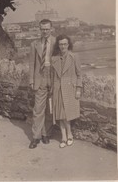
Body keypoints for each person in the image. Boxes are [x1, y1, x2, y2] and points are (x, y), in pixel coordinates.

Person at [51, 34, 82, 148]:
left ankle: (68, 135)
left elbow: (79, 74)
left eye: (65, 44)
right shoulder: (54, 58)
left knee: (65, 114)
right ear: (58, 45)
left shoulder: (74, 57)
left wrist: (78, 89)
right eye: (60, 44)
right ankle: (65, 136)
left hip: (69, 89)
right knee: (60, 114)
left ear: (68, 45)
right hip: (57, 90)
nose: (63, 46)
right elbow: (52, 76)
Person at [29, 19, 56, 149]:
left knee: (50, 109)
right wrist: (31, 80)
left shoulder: (57, 43)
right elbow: (31, 63)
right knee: (38, 109)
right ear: (40, 29)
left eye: (47, 29)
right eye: (42, 29)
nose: (45, 31)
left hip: (52, 77)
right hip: (40, 78)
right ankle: (36, 136)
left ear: (51, 28)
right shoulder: (34, 44)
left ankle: (46, 134)